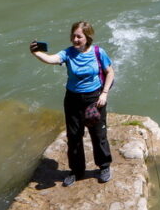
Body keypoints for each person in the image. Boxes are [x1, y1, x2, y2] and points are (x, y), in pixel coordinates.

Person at [30, 21, 115, 186]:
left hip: (94, 99)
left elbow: (110, 72)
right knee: (74, 137)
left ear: (87, 37)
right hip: (73, 99)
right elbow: (52, 59)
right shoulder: (68, 53)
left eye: (79, 36)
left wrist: (104, 94)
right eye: (73, 36)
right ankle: (77, 171)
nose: (75, 39)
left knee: (98, 135)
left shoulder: (98, 52)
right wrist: (36, 53)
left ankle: (104, 166)